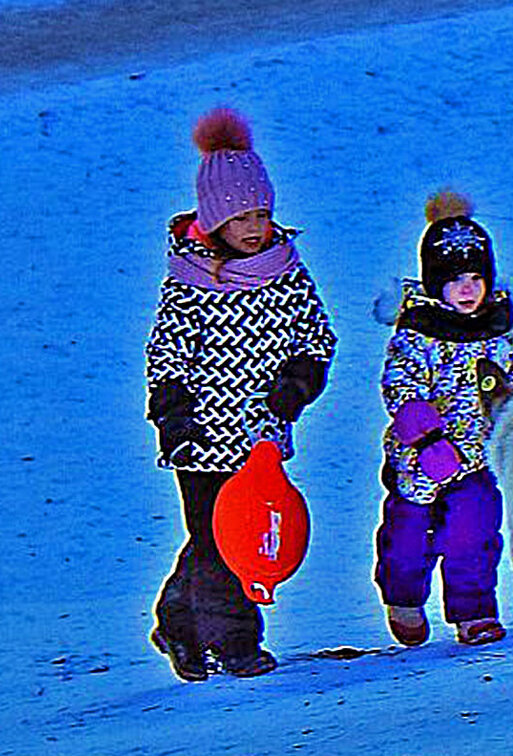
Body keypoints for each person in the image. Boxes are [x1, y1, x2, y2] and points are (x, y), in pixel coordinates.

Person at [145, 107, 336, 681]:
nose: (255, 227)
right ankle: (234, 645)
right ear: (214, 220)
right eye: (241, 217)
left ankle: (177, 619)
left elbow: (317, 334)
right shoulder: (189, 282)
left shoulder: (288, 272)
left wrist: (297, 383)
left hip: (260, 437)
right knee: (213, 540)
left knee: (234, 536)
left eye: (262, 213)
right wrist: (174, 418)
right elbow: (167, 354)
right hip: (201, 439)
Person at [374, 190, 513, 647]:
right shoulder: (417, 337)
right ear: (433, 285)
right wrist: (427, 441)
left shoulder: (507, 337)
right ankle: (404, 597)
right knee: (409, 537)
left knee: (476, 533)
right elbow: (400, 389)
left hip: (479, 460)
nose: (467, 289)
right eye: (454, 280)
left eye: (474, 278)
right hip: (420, 463)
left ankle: (475, 611)